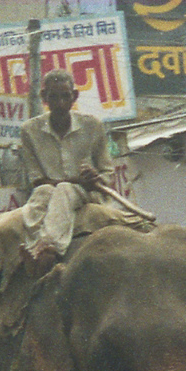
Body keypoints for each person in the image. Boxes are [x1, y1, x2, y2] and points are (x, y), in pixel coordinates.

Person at [16, 69, 115, 265]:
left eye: (65, 96)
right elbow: (37, 180)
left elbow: (107, 174)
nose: (60, 104)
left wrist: (94, 177)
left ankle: (47, 247)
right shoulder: (29, 130)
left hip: (88, 193)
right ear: (44, 98)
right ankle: (32, 246)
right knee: (43, 192)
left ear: (74, 97)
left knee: (64, 189)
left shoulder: (92, 125)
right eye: (53, 97)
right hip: (48, 191)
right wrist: (75, 180)